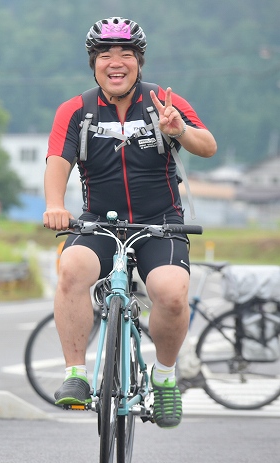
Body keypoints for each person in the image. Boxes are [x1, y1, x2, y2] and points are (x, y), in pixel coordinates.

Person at [42, 17, 217, 428]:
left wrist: (179, 130)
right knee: (70, 270)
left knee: (171, 293)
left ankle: (165, 377)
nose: (115, 62)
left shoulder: (162, 100)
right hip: (98, 222)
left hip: (161, 223)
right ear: (94, 63)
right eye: (106, 54)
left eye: (125, 54)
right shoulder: (76, 110)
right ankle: (76, 375)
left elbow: (207, 145)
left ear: (139, 62)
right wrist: (54, 204)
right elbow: (57, 162)